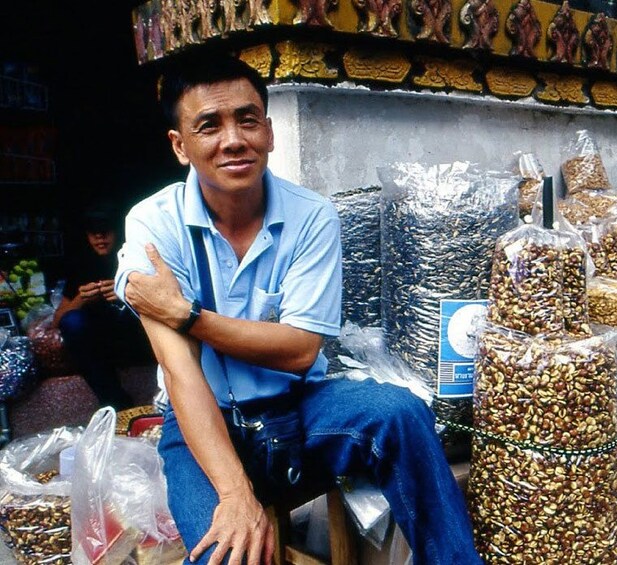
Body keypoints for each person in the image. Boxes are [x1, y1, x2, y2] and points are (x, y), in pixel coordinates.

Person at [115, 54, 481, 565]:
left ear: (268, 131)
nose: (234, 139)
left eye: (247, 119)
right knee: (224, 553)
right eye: (209, 126)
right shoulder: (154, 225)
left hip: (299, 407)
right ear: (181, 146)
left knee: (401, 414)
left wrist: (189, 316)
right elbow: (182, 373)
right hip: (203, 420)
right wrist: (236, 494)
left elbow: (299, 351)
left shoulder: (311, 217)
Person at [54, 208, 146, 410]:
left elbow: (162, 307)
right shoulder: (82, 265)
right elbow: (58, 319)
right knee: (73, 322)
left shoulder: (134, 258)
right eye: (93, 232)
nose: (100, 237)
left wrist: (126, 295)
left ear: (117, 232)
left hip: (132, 339)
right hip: (98, 342)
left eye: (106, 231)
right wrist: (82, 298)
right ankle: (114, 399)